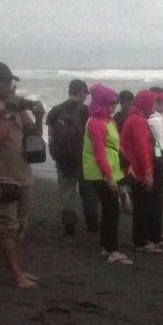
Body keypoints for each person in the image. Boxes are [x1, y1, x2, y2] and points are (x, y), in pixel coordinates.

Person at [0, 62, 45, 288]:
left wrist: (38, 117)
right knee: (7, 225)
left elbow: (33, 135)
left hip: (22, 173)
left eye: (11, 81)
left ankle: (18, 268)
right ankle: (16, 275)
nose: (10, 86)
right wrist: (10, 112)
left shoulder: (14, 106)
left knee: (21, 225)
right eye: (6, 81)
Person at [82, 84, 132, 265]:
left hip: (111, 169)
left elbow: (115, 146)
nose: (115, 106)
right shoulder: (95, 122)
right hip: (101, 173)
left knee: (110, 209)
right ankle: (113, 251)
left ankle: (106, 247)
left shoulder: (107, 120)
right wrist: (108, 176)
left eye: (116, 102)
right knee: (112, 210)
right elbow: (99, 152)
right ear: (102, 101)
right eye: (111, 102)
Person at [46, 79, 99, 235]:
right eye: (85, 94)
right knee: (88, 191)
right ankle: (92, 222)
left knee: (67, 192)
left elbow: (51, 135)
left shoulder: (55, 110)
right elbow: (92, 135)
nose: (86, 97)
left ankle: (69, 224)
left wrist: (55, 154)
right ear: (81, 92)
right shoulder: (86, 110)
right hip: (83, 157)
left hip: (63, 159)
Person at [120, 89, 163, 253]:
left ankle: (143, 239)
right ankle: (141, 242)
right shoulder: (138, 121)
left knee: (143, 206)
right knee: (142, 207)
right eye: (153, 102)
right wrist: (148, 173)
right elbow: (142, 149)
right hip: (138, 170)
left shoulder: (135, 118)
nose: (155, 106)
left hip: (136, 168)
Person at [148, 87, 163, 212]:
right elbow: (159, 145)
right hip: (159, 164)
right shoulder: (155, 121)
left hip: (159, 162)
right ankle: (154, 231)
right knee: (156, 201)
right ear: (155, 102)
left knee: (156, 200)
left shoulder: (156, 119)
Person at [113, 89, 134, 214]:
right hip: (123, 150)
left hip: (121, 150)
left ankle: (126, 202)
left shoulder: (116, 117)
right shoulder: (127, 117)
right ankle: (125, 202)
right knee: (124, 179)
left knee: (125, 179)